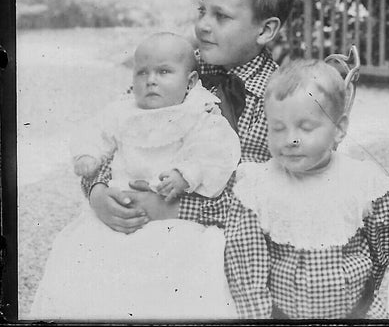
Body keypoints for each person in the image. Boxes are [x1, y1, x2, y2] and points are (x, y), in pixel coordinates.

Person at [80, 0, 299, 233]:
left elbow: (261, 194)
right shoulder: (175, 68)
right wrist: (97, 191)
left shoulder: (278, 100)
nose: (203, 25)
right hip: (140, 215)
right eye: (202, 11)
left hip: (224, 236)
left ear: (265, 30)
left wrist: (173, 209)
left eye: (221, 16)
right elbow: (117, 128)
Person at [29, 33, 241, 321]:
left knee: (179, 270)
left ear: (190, 82)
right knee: (86, 257)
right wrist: (88, 155)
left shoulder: (197, 112)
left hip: (173, 217)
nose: (150, 80)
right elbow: (96, 130)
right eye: (142, 72)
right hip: (121, 206)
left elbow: (215, 150)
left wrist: (185, 174)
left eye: (164, 72)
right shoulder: (124, 110)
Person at [224, 58, 389, 319]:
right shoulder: (257, 187)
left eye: (306, 127)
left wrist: (371, 276)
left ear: (339, 130)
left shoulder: (361, 180)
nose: (290, 139)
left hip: (358, 309)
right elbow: (245, 265)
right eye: (277, 128)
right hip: (285, 314)